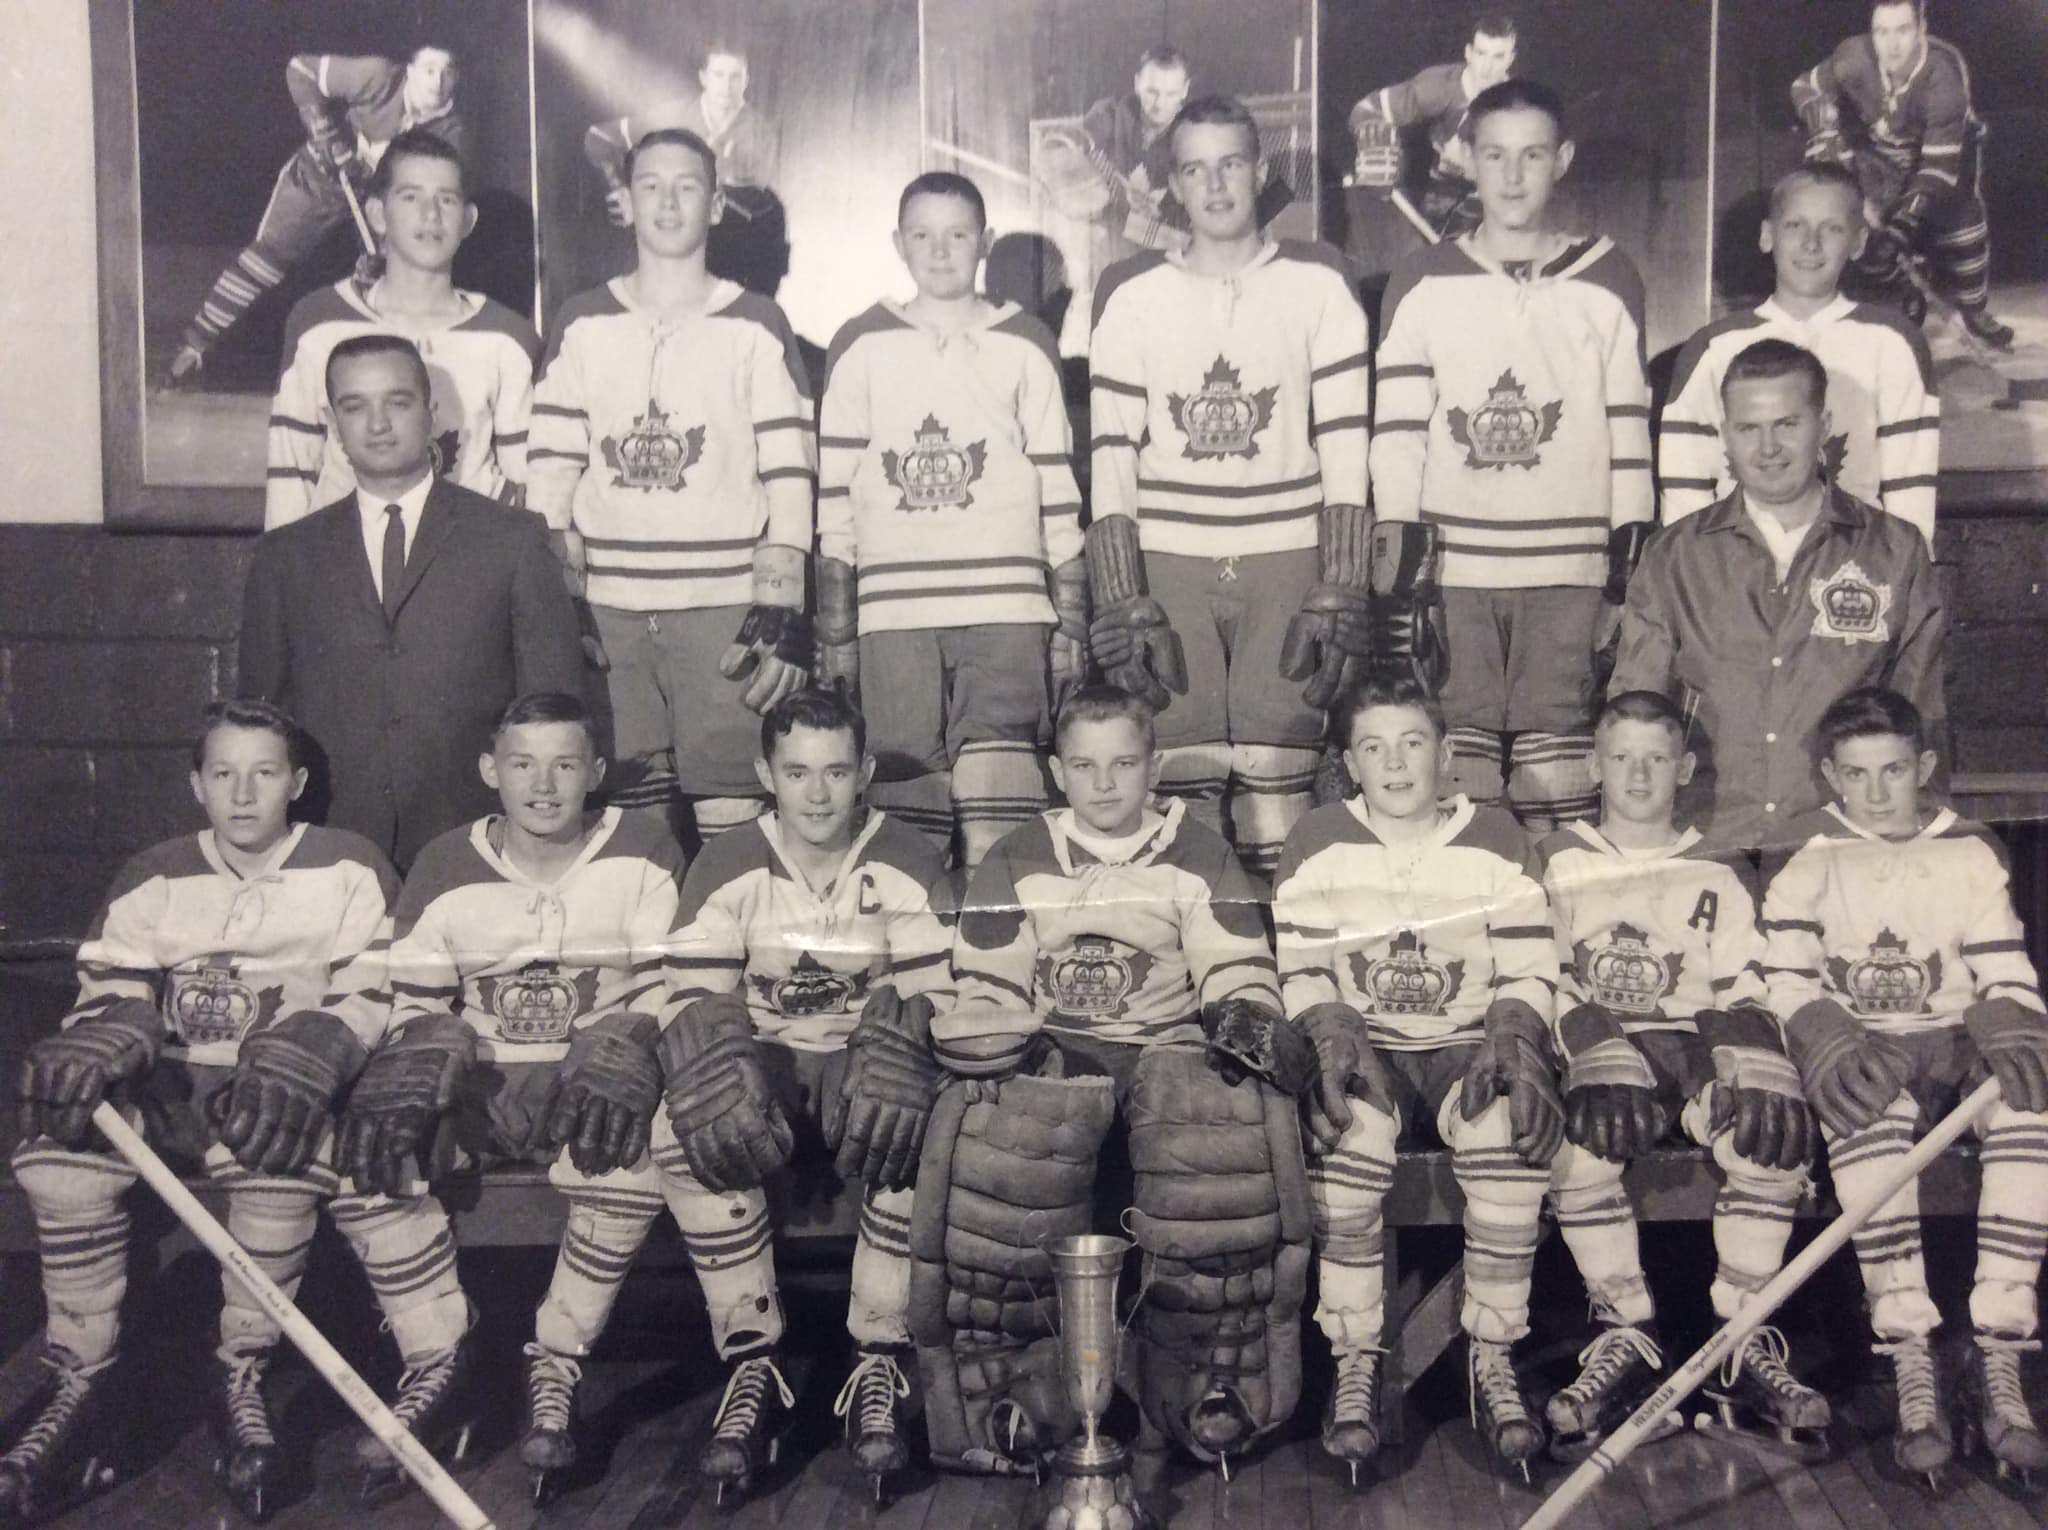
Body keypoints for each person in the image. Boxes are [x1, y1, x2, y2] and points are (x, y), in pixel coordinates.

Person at [0, 701, 468, 1523]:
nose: (243, 793)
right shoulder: (155, 872)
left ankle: (240, 1367)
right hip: (169, 1088)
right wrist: (115, 1024)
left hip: (279, 1088)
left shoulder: (348, 865)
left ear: (298, 783)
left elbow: (377, 987)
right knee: (56, 1152)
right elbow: (110, 987)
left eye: (263, 773)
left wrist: (324, 1036)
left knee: (279, 1155)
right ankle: (80, 1372)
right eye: (223, 774)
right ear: (197, 784)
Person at [926, 683, 1309, 1483]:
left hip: (1164, 1049)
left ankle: (1208, 1372)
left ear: (1154, 767)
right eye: (1085, 766)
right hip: (1056, 1056)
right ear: (1058, 773)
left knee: (1212, 1125)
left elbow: (1235, 962)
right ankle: (1021, 1379)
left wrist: (1244, 1017)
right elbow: (988, 982)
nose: (1105, 784)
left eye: (1124, 764)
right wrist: (994, 1041)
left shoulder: (1196, 849)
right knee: (1002, 1135)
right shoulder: (1017, 854)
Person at [333, 691, 686, 1504]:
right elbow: (415, 999)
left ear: (596, 773)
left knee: (628, 1149)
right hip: (483, 1080)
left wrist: (629, 1037)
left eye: (566, 764)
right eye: (523, 763)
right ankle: (435, 1358)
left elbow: (671, 983)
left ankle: (556, 1362)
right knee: (369, 1149)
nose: (544, 784)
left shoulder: (642, 846)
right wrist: (430, 1045)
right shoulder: (444, 860)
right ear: (491, 770)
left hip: (588, 1078)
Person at [652, 686, 954, 1502]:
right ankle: (753, 1361)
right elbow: (691, 1002)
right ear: (765, 775)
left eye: (835, 772)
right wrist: (720, 1060)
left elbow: (939, 998)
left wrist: (910, 1050)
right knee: (682, 1126)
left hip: (867, 1071)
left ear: (863, 776)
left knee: (920, 1119)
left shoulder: (908, 855)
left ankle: (877, 1361)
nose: (817, 794)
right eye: (797, 773)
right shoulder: (727, 858)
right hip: (767, 1069)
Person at [1275, 675, 1562, 1481]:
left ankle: (1495, 1352)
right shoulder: (1318, 838)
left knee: (1507, 1137)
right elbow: (1299, 968)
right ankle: (1357, 1355)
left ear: (1445, 754)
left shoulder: (1497, 836)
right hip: (1369, 1050)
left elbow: (1532, 963)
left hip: (1465, 1047)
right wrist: (1331, 1032)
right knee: (1349, 1140)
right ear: (1349, 764)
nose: (1395, 763)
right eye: (1374, 747)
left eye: (1411, 743)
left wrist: (1510, 1033)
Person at [1763, 687, 2048, 1484]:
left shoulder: (1968, 849)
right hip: (1867, 1051)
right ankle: (1912, 1358)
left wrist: (2009, 1013)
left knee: (2032, 1104)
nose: (1879, 792)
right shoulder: (1809, 854)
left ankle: (2000, 1351)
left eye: (1894, 770)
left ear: (1923, 766)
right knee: (1865, 1122)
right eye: (1858, 775)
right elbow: (1783, 979)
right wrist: (1825, 1034)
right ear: (1831, 776)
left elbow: (2005, 965)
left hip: (1956, 1048)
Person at [1533, 690, 1824, 1461]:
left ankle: (1740, 1340)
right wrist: (1589, 1038)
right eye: (1621, 756)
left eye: (1656, 758)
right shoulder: (1558, 858)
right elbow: (1539, 971)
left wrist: (1752, 1054)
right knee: (1581, 1149)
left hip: (1693, 1050)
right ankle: (1628, 1332)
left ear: (1684, 768)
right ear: (1594, 765)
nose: (1637, 774)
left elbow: (1745, 983)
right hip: (1601, 1058)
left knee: (1768, 1141)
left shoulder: (1716, 865)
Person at [1087, 95, 1371, 882]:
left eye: (1231, 164)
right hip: (1171, 553)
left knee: (1281, 762)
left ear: (1260, 171)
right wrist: (1119, 593)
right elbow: (1111, 450)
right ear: (1173, 183)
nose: (1214, 187)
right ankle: (1207, 972)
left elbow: (1347, 440)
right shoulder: (1131, 293)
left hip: (1286, 549)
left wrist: (1342, 581)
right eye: (1194, 169)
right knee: (1181, 768)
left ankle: (1289, 970)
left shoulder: (1318, 283)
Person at [1370, 78, 1654, 833]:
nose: (1514, 175)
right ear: (1467, 158)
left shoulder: (1608, 276)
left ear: (1561, 159)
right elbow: (1396, 430)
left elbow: (1630, 429)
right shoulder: (1423, 279)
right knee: (1458, 772)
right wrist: (1403, 556)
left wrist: (1625, 558)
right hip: (1457, 569)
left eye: (1532, 154)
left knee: (1556, 771)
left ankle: (1551, 938)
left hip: (1567, 570)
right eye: (1495, 155)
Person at [529, 127, 816, 851]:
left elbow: (791, 474)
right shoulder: (582, 319)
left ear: (715, 203)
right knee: (631, 825)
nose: (667, 201)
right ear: (624, 201)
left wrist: (781, 610)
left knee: (733, 818)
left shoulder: (754, 321)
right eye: (650, 184)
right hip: (609, 610)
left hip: (720, 609)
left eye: (687, 185)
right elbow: (551, 473)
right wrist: (558, 599)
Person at [238, 332, 584, 872]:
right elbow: (259, 725)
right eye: (355, 407)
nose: (378, 424)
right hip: (328, 844)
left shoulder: (512, 539)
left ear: (431, 412)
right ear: (334, 424)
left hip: (479, 843)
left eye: (397, 402)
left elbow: (552, 705)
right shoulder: (286, 556)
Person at [816, 171, 1084, 866]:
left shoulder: (1024, 341)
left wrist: (1072, 614)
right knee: (908, 803)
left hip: (1006, 607)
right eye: (923, 236)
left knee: (1000, 799)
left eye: (959, 234)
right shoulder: (861, 343)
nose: (941, 252)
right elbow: (835, 501)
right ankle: (921, 963)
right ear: (897, 244)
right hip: (894, 614)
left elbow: (1057, 485)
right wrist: (838, 629)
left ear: (985, 243)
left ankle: (994, 957)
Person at [1610, 338, 1946, 853]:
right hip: (1707, 845)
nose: (1768, 448)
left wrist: (1916, 849)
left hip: (1845, 846)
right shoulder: (1674, 556)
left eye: (1787, 424)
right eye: (1749, 428)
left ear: (1824, 425)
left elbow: (1922, 713)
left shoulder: (1894, 551)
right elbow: (1635, 717)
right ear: (1725, 435)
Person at [263, 128, 540, 530]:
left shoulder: (508, 337)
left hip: (465, 568)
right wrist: (287, 577)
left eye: (446, 199)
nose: (431, 215)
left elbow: (525, 488)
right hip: (349, 573)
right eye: (410, 197)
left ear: (467, 220)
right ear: (377, 213)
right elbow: (291, 470)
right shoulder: (318, 321)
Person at [1659, 163, 1939, 546]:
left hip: (1853, 570)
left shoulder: (1893, 344)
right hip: (1737, 571)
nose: (1812, 243)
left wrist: (1904, 578)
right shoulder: (1712, 348)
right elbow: (1685, 490)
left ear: (1858, 243)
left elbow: (1912, 497)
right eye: (1795, 226)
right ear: (1767, 236)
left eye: (1832, 228)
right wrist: (1695, 576)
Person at [165, 43, 463, 387]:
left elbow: (421, 202)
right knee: (267, 259)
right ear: (409, 70)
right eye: (429, 70)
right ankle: (193, 347)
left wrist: (389, 254)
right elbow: (300, 70)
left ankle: (378, 375)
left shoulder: (452, 134)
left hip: (378, 199)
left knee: (389, 274)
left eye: (448, 72)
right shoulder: (377, 76)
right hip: (319, 178)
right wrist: (323, 131)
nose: (437, 82)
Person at [1792, 0, 2013, 349]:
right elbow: (1805, 87)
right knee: (1863, 237)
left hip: (1947, 164)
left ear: (1922, 29)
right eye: (1882, 31)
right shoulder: (1853, 57)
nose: (1891, 44)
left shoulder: (1944, 76)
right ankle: (1900, 289)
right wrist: (1825, 131)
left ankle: (1974, 309)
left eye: (1903, 30)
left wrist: (1901, 227)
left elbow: (1937, 170)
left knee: (1965, 233)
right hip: (1879, 162)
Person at [1346, 11, 1518, 242]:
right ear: (1468, 53)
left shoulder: (1522, 108)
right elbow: (1368, 108)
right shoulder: (1438, 87)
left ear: (1511, 59)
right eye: (1481, 53)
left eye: (1498, 57)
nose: (1486, 67)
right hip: (1442, 185)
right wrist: (1376, 144)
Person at [584, 41, 780, 224]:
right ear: (703, 77)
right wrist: (622, 189)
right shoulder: (673, 115)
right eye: (718, 75)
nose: (726, 87)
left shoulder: (761, 134)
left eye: (735, 77)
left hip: (729, 242)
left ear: (746, 81)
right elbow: (599, 137)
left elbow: (757, 205)